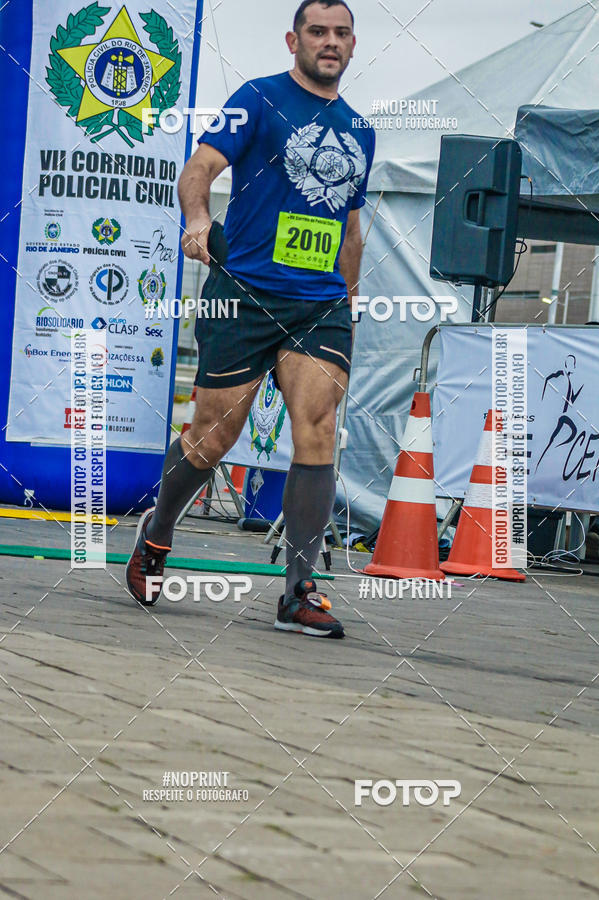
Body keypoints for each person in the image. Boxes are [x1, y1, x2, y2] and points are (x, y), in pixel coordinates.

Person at [126, 0, 376, 638]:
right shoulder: (258, 100)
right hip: (244, 292)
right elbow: (200, 168)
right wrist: (198, 217)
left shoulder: (360, 130)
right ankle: (157, 532)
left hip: (319, 303)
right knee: (213, 437)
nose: (329, 42)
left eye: (341, 33)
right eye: (317, 32)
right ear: (293, 40)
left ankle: (299, 591)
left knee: (317, 428)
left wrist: (348, 301)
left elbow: (350, 228)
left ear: (353, 45)